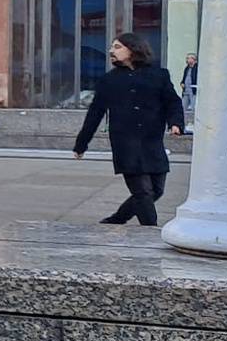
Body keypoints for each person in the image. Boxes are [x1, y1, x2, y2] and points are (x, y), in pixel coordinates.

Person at [74, 33, 185, 227]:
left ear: (133, 49)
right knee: (142, 192)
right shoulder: (109, 80)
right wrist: (81, 144)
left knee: (156, 190)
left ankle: (117, 219)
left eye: (117, 47)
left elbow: (173, 102)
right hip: (125, 144)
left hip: (152, 142)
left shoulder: (159, 75)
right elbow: (95, 113)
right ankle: (151, 232)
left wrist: (175, 123)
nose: (111, 51)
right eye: (111, 47)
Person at [180, 52, 199, 121]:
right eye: (187, 58)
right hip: (186, 91)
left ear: (193, 59)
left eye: (189, 58)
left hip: (193, 91)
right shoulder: (187, 68)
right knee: (182, 108)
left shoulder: (197, 68)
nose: (187, 60)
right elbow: (184, 78)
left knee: (194, 108)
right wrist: (182, 83)